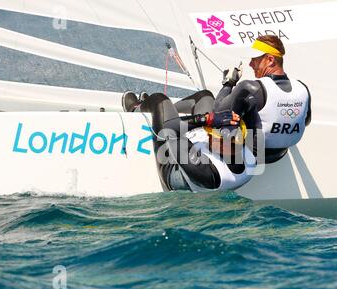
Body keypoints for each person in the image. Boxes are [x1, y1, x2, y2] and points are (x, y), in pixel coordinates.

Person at [122, 90, 256, 192]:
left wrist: (205, 119)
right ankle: (157, 109)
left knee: (159, 100)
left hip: (173, 169)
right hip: (202, 155)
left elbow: (170, 129)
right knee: (205, 96)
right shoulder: (250, 157)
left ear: (223, 146)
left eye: (212, 135)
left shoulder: (208, 173)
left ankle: (137, 108)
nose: (209, 136)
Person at [214, 35, 311, 163]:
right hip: (280, 154)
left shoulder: (251, 87)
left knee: (204, 98)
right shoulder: (302, 87)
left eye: (255, 59)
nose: (250, 64)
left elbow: (217, 113)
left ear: (270, 60)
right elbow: (306, 121)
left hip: (252, 156)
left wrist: (229, 83)